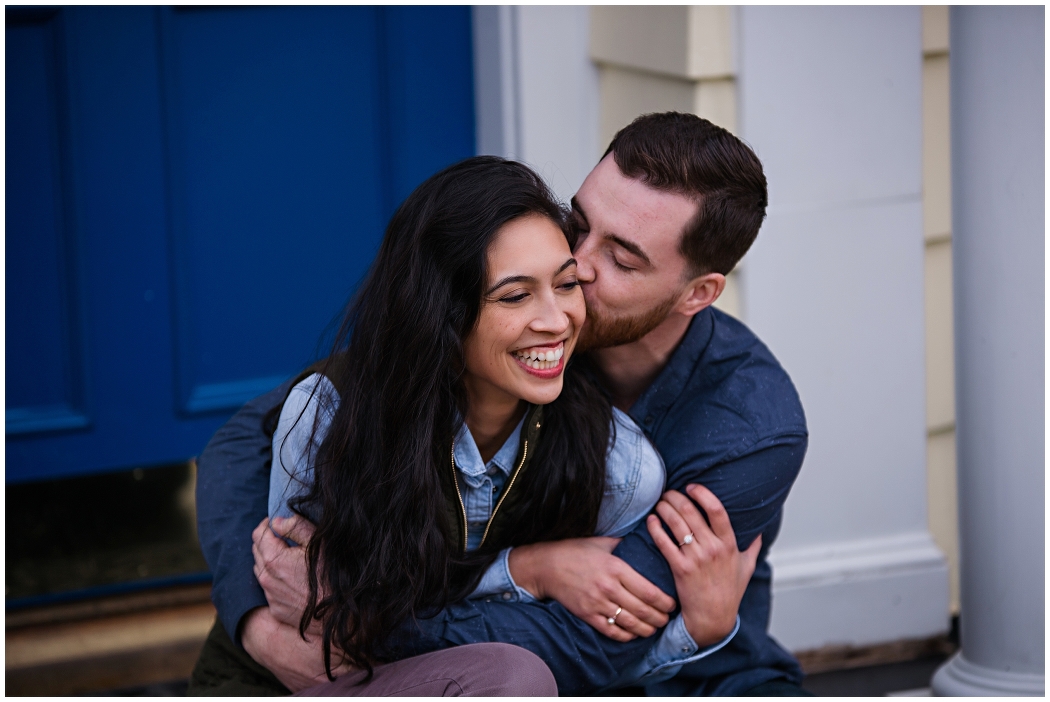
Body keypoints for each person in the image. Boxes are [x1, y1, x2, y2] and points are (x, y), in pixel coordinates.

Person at [196, 112, 809, 696]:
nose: (578, 265)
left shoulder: (747, 430)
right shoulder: (510, 325)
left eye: (621, 259)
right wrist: (256, 620)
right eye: (577, 222)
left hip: (698, 680)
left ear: (696, 294)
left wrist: (348, 624)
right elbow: (248, 438)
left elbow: (596, 642)